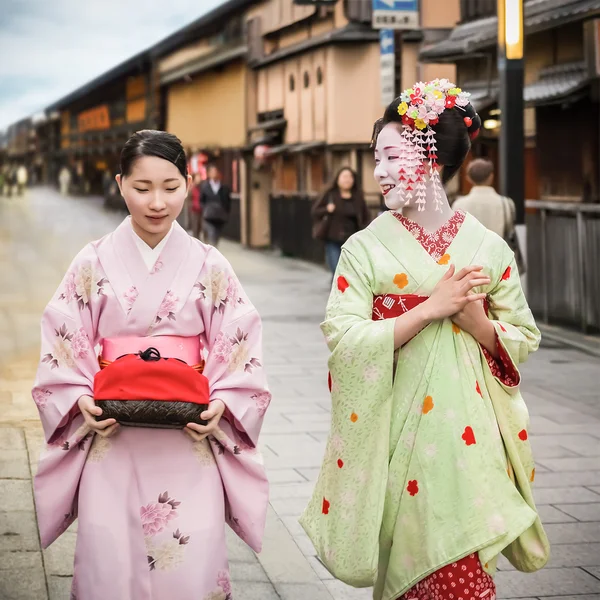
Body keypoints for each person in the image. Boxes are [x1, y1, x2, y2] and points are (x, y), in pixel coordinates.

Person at [300, 79, 549, 600]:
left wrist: (479, 324)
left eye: (391, 156)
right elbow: (343, 336)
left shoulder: (488, 247)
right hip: (397, 432)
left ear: (432, 157)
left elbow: (523, 334)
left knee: (462, 568)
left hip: (468, 435)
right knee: (408, 563)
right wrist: (432, 308)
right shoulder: (363, 249)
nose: (380, 171)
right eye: (375, 159)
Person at [32, 130, 271, 600]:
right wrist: (79, 396)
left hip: (188, 436)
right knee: (111, 556)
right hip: (112, 435)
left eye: (170, 186)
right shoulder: (93, 260)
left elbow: (239, 339)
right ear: (120, 185)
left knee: (189, 562)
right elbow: (62, 336)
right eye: (142, 188)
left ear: (189, 183)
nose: (156, 202)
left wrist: (222, 402)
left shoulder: (209, 263)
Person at [311, 167, 370, 275]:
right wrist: (327, 209)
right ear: (338, 179)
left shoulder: (358, 196)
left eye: (350, 177)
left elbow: (365, 216)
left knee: (351, 272)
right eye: (344, 177)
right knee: (336, 270)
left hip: (352, 241)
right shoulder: (330, 194)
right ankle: (337, 289)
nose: (347, 180)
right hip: (333, 239)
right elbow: (315, 211)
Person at [200, 165, 231, 247]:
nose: (214, 174)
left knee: (217, 235)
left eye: (216, 172)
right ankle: (212, 250)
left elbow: (227, 201)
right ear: (209, 174)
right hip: (209, 216)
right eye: (212, 172)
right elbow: (202, 200)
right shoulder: (205, 186)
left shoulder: (224, 187)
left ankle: (213, 248)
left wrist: (226, 213)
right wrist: (205, 210)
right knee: (211, 234)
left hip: (220, 216)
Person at [189, 173, 203, 239]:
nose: (199, 179)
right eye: (197, 178)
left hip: (201, 210)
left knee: (200, 227)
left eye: (199, 177)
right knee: (195, 227)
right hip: (194, 210)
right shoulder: (191, 188)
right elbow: (189, 199)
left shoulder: (202, 188)